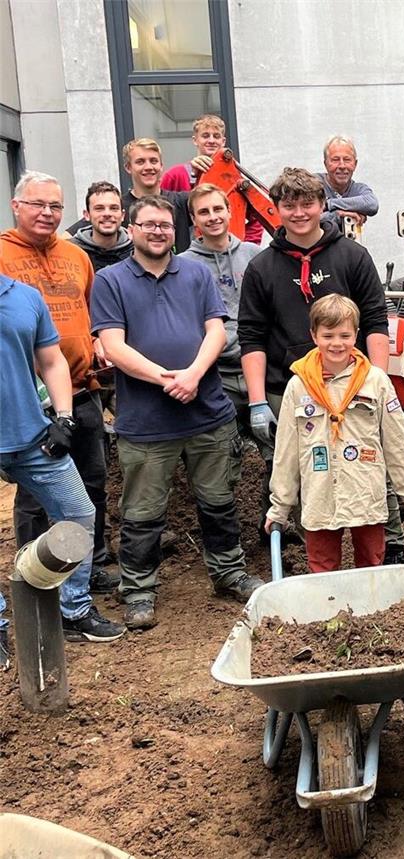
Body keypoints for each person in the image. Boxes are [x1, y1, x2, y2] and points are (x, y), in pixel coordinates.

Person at [90, 195, 263, 630]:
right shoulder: (111, 281)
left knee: (219, 501)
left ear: (175, 230)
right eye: (148, 224)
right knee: (142, 512)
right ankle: (139, 590)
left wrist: (193, 375)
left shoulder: (197, 274)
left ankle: (228, 572)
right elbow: (113, 346)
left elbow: (217, 330)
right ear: (132, 229)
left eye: (165, 225)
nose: (158, 231)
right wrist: (167, 379)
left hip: (207, 412)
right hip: (147, 423)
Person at [238, 168, 390, 529]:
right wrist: (258, 401)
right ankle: (289, 541)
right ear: (276, 208)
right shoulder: (261, 268)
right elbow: (252, 335)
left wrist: (378, 380)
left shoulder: (353, 257)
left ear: (323, 204)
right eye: (289, 205)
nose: (299, 213)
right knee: (292, 464)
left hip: (352, 387)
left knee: (368, 460)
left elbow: (375, 321)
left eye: (308, 204)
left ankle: (389, 539)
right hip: (286, 387)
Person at [2, 171, 120, 598]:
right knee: (35, 498)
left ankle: (87, 567)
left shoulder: (75, 256)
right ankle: (38, 575)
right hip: (26, 399)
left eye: (55, 206)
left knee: (90, 482)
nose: (47, 213)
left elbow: (88, 314)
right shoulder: (2, 254)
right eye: (37, 204)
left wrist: (92, 343)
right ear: (17, 206)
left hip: (79, 387)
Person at [1, 270, 126, 660]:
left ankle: (73, 608)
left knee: (78, 513)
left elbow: (51, 360)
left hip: (31, 436)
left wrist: (64, 416)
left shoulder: (24, 296)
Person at [265, 295, 404, 572]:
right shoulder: (299, 386)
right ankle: (329, 613)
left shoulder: (376, 382)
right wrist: (279, 506)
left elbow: (397, 443)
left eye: (344, 335)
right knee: (322, 568)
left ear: (356, 335)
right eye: (328, 335)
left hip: (365, 492)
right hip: (320, 494)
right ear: (313, 335)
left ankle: (372, 614)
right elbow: (286, 452)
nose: (336, 343)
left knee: (371, 564)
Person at [179, 183, 261, 428]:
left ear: (229, 211)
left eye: (218, 209)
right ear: (193, 219)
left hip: (258, 367)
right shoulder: (182, 266)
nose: (213, 217)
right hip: (215, 375)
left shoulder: (255, 256)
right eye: (204, 212)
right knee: (224, 453)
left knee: (274, 448)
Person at [160, 114, 263, 244]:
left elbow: (257, 217)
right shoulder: (175, 175)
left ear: (223, 141)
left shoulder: (235, 179)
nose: (211, 140)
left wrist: (245, 247)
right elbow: (161, 211)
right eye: (205, 135)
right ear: (195, 140)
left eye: (216, 136)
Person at [319, 135, 379, 229]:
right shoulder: (313, 184)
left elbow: (372, 204)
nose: (342, 166)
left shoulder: (358, 189)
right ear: (325, 164)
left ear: (355, 164)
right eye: (335, 160)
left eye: (347, 160)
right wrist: (338, 215)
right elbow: (305, 219)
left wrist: (329, 204)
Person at [70, 181, 133, 271]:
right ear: (87, 215)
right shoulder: (71, 252)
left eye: (113, 208)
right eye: (99, 208)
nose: (107, 214)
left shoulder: (137, 252)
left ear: (122, 215)